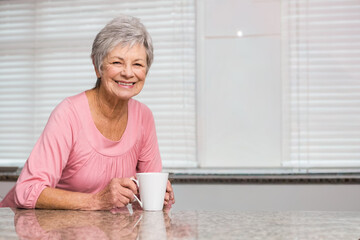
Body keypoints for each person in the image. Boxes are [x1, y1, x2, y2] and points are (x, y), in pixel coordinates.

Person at [0, 15, 175, 210]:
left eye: (138, 64)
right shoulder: (69, 114)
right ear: (97, 67)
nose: (128, 73)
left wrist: (160, 195)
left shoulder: (144, 117)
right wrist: (98, 201)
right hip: (24, 226)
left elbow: (147, 192)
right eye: (117, 62)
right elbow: (26, 190)